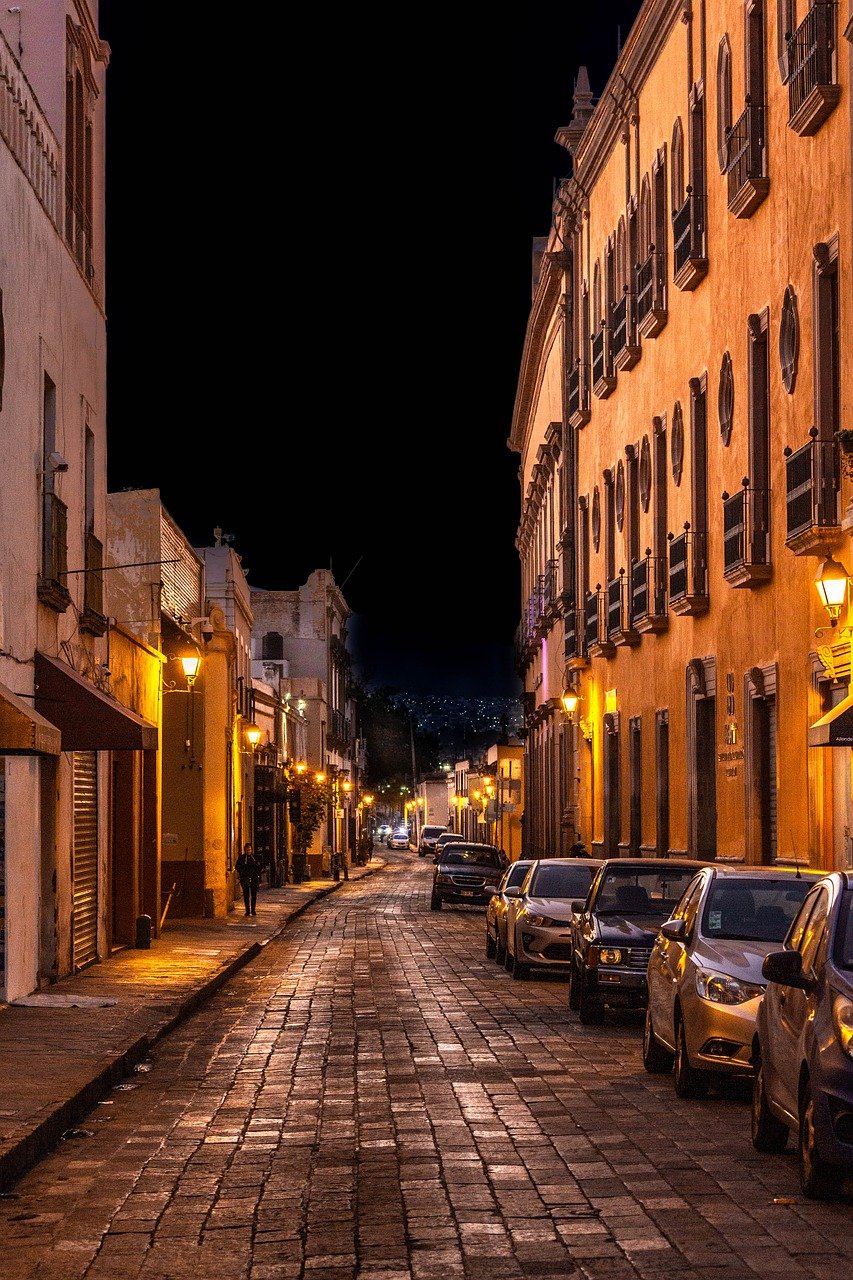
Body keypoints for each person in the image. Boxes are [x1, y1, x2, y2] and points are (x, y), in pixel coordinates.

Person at [236, 841, 261, 915]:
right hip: (245, 878)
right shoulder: (242, 858)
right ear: (245, 850)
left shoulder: (255, 857)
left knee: (254, 895)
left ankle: (253, 910)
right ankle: (247, 910)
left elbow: (259, 867)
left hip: (254, 879)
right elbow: (238, 867)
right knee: (246, 895)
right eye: (247, 850)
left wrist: (256, 874)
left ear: (251, 850)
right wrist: (242, 874)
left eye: (250, 850)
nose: (248, 851)